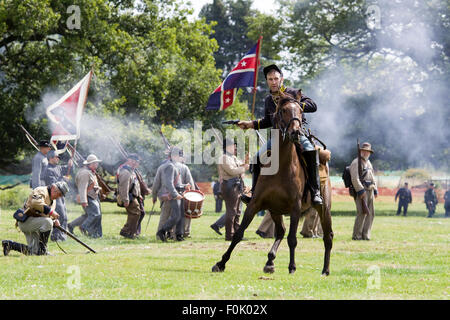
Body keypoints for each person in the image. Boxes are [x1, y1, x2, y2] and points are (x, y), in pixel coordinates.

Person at [238, 64, 322, 206]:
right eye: (270, 79)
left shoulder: (294, 92)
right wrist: (250, 124)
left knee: (311, 151)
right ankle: (253, 192)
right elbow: (267, 121)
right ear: (267, 81)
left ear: (281, 79)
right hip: (277, 137)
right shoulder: (268, 100)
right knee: (257, 158)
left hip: (297, 133)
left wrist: (294, 104)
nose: (273, 82)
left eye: (276, 78)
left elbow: (313, 106)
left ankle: (315, 192)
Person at [2, 181, 69, 256]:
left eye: (61, 195)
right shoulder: (41, 190)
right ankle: (43, 250)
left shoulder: (53, 201)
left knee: (34, 252)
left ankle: (9, 244)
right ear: (53, 188)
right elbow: (35, 203)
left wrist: (54, 220)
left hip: (36, 223)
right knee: (48, 222)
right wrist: (51, 212)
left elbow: (46, 215)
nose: (59, 197)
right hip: (27, 221)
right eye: (59, 194)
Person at [155, 147, 189, 242]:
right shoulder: (169, 166)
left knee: (180, 215)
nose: (181, 158)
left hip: (178, 192)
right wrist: (175, 194)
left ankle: (179, 235)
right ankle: (162, 231)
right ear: (174, 156)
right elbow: (168, 183)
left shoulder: (174, 165)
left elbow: (177, 183)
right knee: (176, 216)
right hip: (173, 194)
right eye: (179, 155)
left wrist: (184, 186)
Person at [218, 139, 249, 241]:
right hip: (229, 186)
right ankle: (230, 235)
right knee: (232, 212)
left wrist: (245, 162)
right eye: (233, 146)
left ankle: (236, 234)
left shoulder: (233, 157)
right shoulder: (224, 158)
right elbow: (232, 171)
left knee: (238, 211)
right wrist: (244, 168)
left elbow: (240, 165)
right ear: (227, 147)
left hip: (236, 185)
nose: (235, 148)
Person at [68, 154, 103, 238]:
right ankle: (84, 227)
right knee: (95, 215)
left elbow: (92, 185)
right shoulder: (84, 173)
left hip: (92, 196)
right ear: (90, 164)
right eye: (95, 163)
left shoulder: (90, 172)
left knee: (89, 215)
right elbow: (82, 188)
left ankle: (71, 225)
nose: (97, 164)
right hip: (88, 197)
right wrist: (84, 201)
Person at [349, 142, 378, 240]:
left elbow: (372, 176)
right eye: (364, 151)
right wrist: (360, 191)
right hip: (362, 191)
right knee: (362, 213)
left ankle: (366, 235)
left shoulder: (369, 163)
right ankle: (357, 235)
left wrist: (375, 189)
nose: (366, 153)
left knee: (371, 214)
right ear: (361, 151)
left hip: (370, 190)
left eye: (368, 151)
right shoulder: (356, 162)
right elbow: (355, 178)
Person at [43, 150, 72, 241]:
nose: (58, 158)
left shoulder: (58, 167)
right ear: (51, 158)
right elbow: (53, 185)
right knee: (60, 215)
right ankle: (56, 236)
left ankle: (62, 236)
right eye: (56, 157)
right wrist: (64, 181)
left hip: (60, 195)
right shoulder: (48, 169)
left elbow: (69, 169)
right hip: (54, 195)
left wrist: (70, 164)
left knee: (64, 216)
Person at [116, 153, 143, 239]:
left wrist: (139, 195)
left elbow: (135, 184)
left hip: (133, 196)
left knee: (136, 213)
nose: (137, 164)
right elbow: (124, 187)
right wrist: (126, 200)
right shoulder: (125, 172)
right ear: (130, 161)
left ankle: (130, 232)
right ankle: (126, 231)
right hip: (128, 196)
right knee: (135, 213)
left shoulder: (131, 171)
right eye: (135, 162)